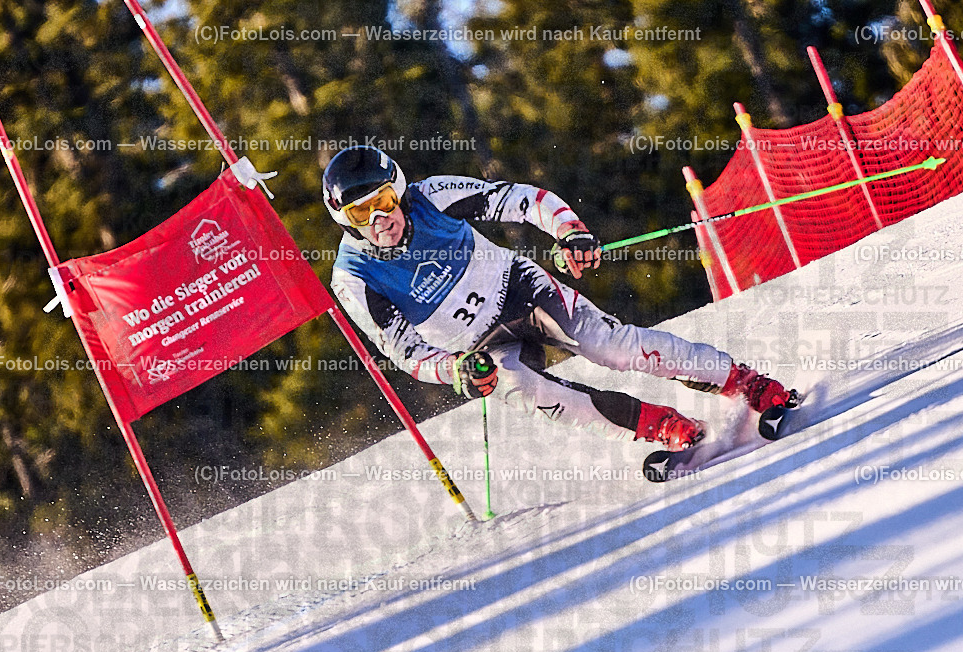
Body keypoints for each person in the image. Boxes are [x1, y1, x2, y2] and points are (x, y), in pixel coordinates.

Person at [324, 146, 792, 452]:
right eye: (359, 211)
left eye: (383, 201)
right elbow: (402, 350)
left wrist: (570, 232)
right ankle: (662, 425)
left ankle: (745, 382)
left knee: (613, 347)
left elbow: (521, 199)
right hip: (480, 348)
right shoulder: (353, 276)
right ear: (344, 220)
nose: (378, 219)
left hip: (523, 292)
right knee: (525, 389)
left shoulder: (433, 197)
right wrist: (453, 371)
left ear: (399, 191)